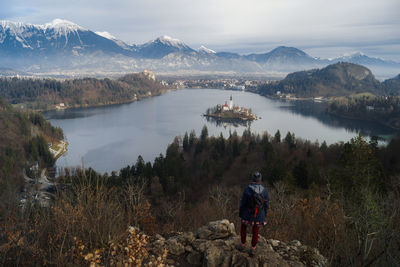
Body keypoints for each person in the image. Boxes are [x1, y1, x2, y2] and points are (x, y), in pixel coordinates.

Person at [237, 171, 269, 256]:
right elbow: (266, 204)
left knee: (243, 227)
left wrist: (241, 213)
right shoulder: (265, 190)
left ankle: (243, 245)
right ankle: (253, 248)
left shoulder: (247, 189)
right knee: (255, 231)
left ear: (253, 179)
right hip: (259, 215)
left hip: (248, 214)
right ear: (260, 180)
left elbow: (243, 203)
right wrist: (264, 215)